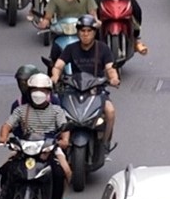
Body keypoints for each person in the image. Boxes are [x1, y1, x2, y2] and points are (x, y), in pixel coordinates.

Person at [0, 72, 71, 199]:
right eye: (35, 90)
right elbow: (7, 125)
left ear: (49, 92)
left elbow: (65, 128)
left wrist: (64, 141)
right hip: (25, 147)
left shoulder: (56, 111)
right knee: (5, 169)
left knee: (63, 172)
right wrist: (3, 137)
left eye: (43, 90)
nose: (39, 93)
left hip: (49, 148)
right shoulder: (21, 110)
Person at [50, 14, 120, 145]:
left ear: (94, 32)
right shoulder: (71, 48)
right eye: (82, 30)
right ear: (78, 32)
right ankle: (57, 143)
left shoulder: (103, 48)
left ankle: (105, 142)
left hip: (96, 90)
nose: (85, 34)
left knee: (110, 111)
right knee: (57, 111)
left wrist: (114, 78)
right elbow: (58, 65)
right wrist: (55, 76)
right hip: (74, 89)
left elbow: (110, 68)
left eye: (89, 31)